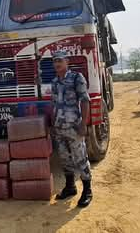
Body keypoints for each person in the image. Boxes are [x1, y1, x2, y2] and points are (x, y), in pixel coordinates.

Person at [50, 51, 93, 208]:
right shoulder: (54, 82)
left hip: (74, 126)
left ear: (67, 61)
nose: (57, 63)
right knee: (64, 158)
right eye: (54, 61)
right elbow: (53, 105)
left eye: (60, 60)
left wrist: (84, 124)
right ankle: (70, 187)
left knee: (80, 158)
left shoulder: (76, 78)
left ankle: (87, 191)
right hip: (59, 127)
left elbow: (85, 101)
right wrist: (52, 124)